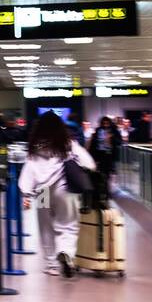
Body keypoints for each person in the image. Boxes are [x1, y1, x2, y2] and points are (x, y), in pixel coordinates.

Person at [18, 111, 98, 277]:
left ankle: (51, 264)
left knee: (45, 227)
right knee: (68, 224)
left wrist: (26, 195)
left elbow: (29, 170)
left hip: (41, 191)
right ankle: (66, 252)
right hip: (64, 188)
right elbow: (89, 164)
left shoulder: (35, 146)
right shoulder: (68, 144)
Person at [88, 115, 121, 192]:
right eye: (104, 123)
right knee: (101, 172)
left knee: (108, 173)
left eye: (107, 123)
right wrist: (93, 156)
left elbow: (119, 142)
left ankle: (106, 188)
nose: (105, 125)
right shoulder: (98, 130)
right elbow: (94, 144)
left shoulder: (114, 131)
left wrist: (111, 138)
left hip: (109, 154)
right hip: (100, 154)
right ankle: (103, 188)